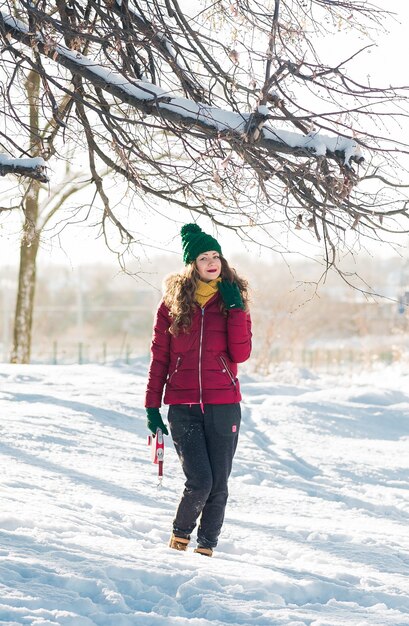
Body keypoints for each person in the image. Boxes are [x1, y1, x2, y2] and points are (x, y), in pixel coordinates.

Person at [145, 223, 252, 557]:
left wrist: (235, 310)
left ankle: (206, 548)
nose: (211, 261)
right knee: (200, 481)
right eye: (203, 257)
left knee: (219, 484)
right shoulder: (172, 304)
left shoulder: (233, 299)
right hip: (183, 406)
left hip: (224, 404)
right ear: (191, 264)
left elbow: (242, 354)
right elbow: (159, 358)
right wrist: (152, 407)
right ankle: (179, 538)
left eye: (215, 255)